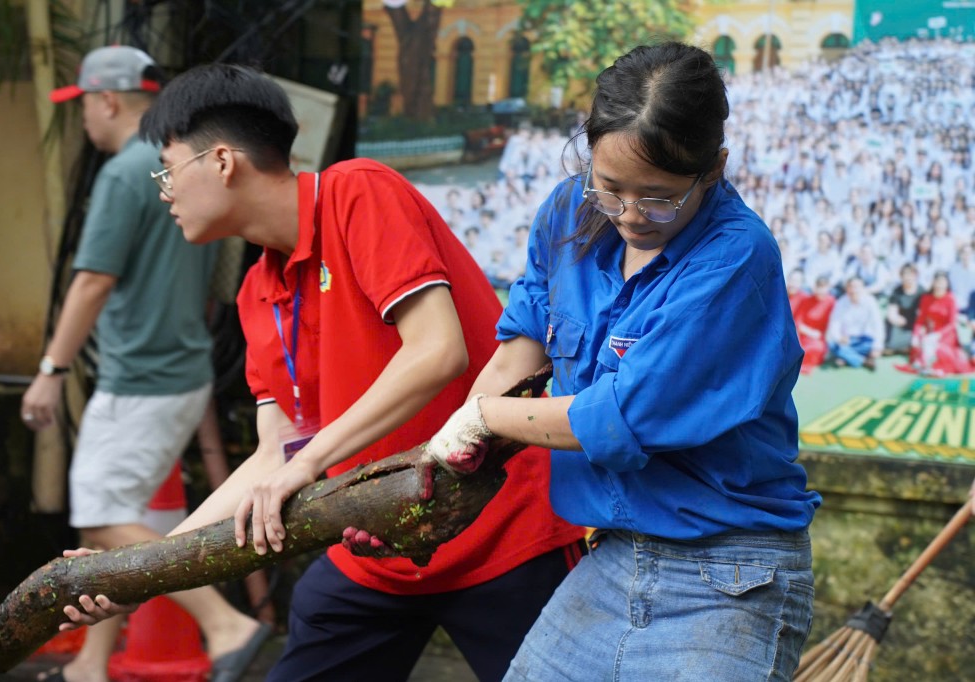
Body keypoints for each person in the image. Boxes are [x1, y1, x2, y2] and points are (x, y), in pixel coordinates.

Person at [60, 63, 584, 682]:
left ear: (222, 161)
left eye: (168, 169)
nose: (164, 191)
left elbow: (437, 350)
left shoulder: (356, 190)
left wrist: (309, 464)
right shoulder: (257, 291)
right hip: (375, 553)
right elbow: (272, 456)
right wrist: (141, 574)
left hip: (501, 536)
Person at [425, 43, 821, 680]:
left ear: (713, 168)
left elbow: (617, 418)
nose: (631, 215)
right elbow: (519, 352)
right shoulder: (567, 211)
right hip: (612, 558)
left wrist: (483, 419)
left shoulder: (736, 256)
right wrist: (438, 467)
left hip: (729, 574)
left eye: (659, 197)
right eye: (610, 189)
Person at [19, 47, 269, 682]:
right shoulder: (181, 168)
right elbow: (219, 276)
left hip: (140, 380)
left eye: (82, 107)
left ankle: (225, 625)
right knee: (138, 526)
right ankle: (91, 667)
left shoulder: (127, 171)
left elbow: (93, 281)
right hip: (183, 373)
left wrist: (52, 368)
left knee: (103, 515)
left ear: (107, 100)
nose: (82, 121)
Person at [905, 270, 972, 377]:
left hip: (946, 334)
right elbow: (920, 320)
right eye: (938, 282)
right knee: (921, 344)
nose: (940, 285)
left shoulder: (951, 299)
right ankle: (925, 365)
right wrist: (915, 335)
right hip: (930, 331)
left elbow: (952, 323)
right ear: (934, 282)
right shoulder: (926, 298)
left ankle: (936, 368)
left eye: (943, 282)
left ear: (947, 284)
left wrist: (938, 335)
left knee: (939, 349)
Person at [825, 276, 884, 370]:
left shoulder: (870, 301)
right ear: (846, 289)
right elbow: (834, 324)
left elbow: (877, 324)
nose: (853, 290)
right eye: (851, 286)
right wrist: (839, 338)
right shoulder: (841, 302)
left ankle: (844, 357)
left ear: (862, 288)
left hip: (864, 340)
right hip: (846, 340)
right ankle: (863, 360)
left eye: (857, 287)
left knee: (868, 345)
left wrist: (877, 346)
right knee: (832, 344)